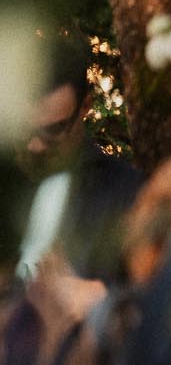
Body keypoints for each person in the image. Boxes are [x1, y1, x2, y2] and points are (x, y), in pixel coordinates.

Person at [16, 39, 142, 282]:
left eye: (53, 131)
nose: (34, 146)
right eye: (24, 131)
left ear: (85, 106)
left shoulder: (124, 191)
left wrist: (99, 298)